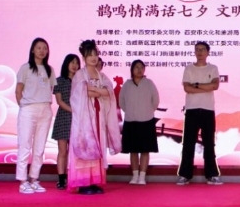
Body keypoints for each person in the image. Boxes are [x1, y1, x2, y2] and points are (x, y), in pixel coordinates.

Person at [68, 40, 121, 195]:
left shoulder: (101, 75)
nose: (93, 58)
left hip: (98, 116)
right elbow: (79, 94)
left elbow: (108, 91)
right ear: (84, 57)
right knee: (87, 145)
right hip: (85, 119)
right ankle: (83, 182)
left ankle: (94, 181)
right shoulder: (79, 75)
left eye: (95, 54)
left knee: (98, 144)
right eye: (89, 55)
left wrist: (93, 91)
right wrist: (98, 91)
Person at [177, 41, 222, 185]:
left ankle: (212, 175)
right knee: (188, 143)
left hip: (208, 109)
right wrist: (205, 87)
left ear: (208, 52)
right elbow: (187, 88)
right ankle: (185, 175)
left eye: (202, 49)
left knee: (209, 143)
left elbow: (215, 85)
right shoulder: (189, 68)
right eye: (197, 49)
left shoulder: (213, 68)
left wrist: (195, 85)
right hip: (192, 109)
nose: (200, 52)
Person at [15, 37, 57, 194]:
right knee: (25, 145)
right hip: (28, 109)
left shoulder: (49, 70)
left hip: (45, 109)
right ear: (32, 50)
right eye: (39, 48)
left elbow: (50, 89)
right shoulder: (25, 68)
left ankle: (34, 179)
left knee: (39, 148)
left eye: (45, 48)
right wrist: (24, 106)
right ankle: (22, 181)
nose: (42, 51)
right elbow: (18, 90)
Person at [119, 60, 160, 185]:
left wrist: (147, 111)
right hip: (131, 121)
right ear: (132, 69)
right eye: (136, 67)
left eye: (141, 67)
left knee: (145, 150)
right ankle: (135, 176)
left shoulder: (149, 83)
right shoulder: (127, 85)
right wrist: (131, 112)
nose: (139, 69)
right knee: (133, 150)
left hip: (146, 121)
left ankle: (142, 177)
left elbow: (155, 100)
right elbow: (122, 102)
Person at [51, 54, 80, 190]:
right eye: (72, 62)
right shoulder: (59, 81)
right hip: (64, 117)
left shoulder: (81, 81)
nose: (74, 65)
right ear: (66, 64)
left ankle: (75, 177)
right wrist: (73, 110)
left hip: (79, 119)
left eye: (76, 63)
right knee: (63, 151)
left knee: (76, 151)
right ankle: (61, 179)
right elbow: (59, 101)